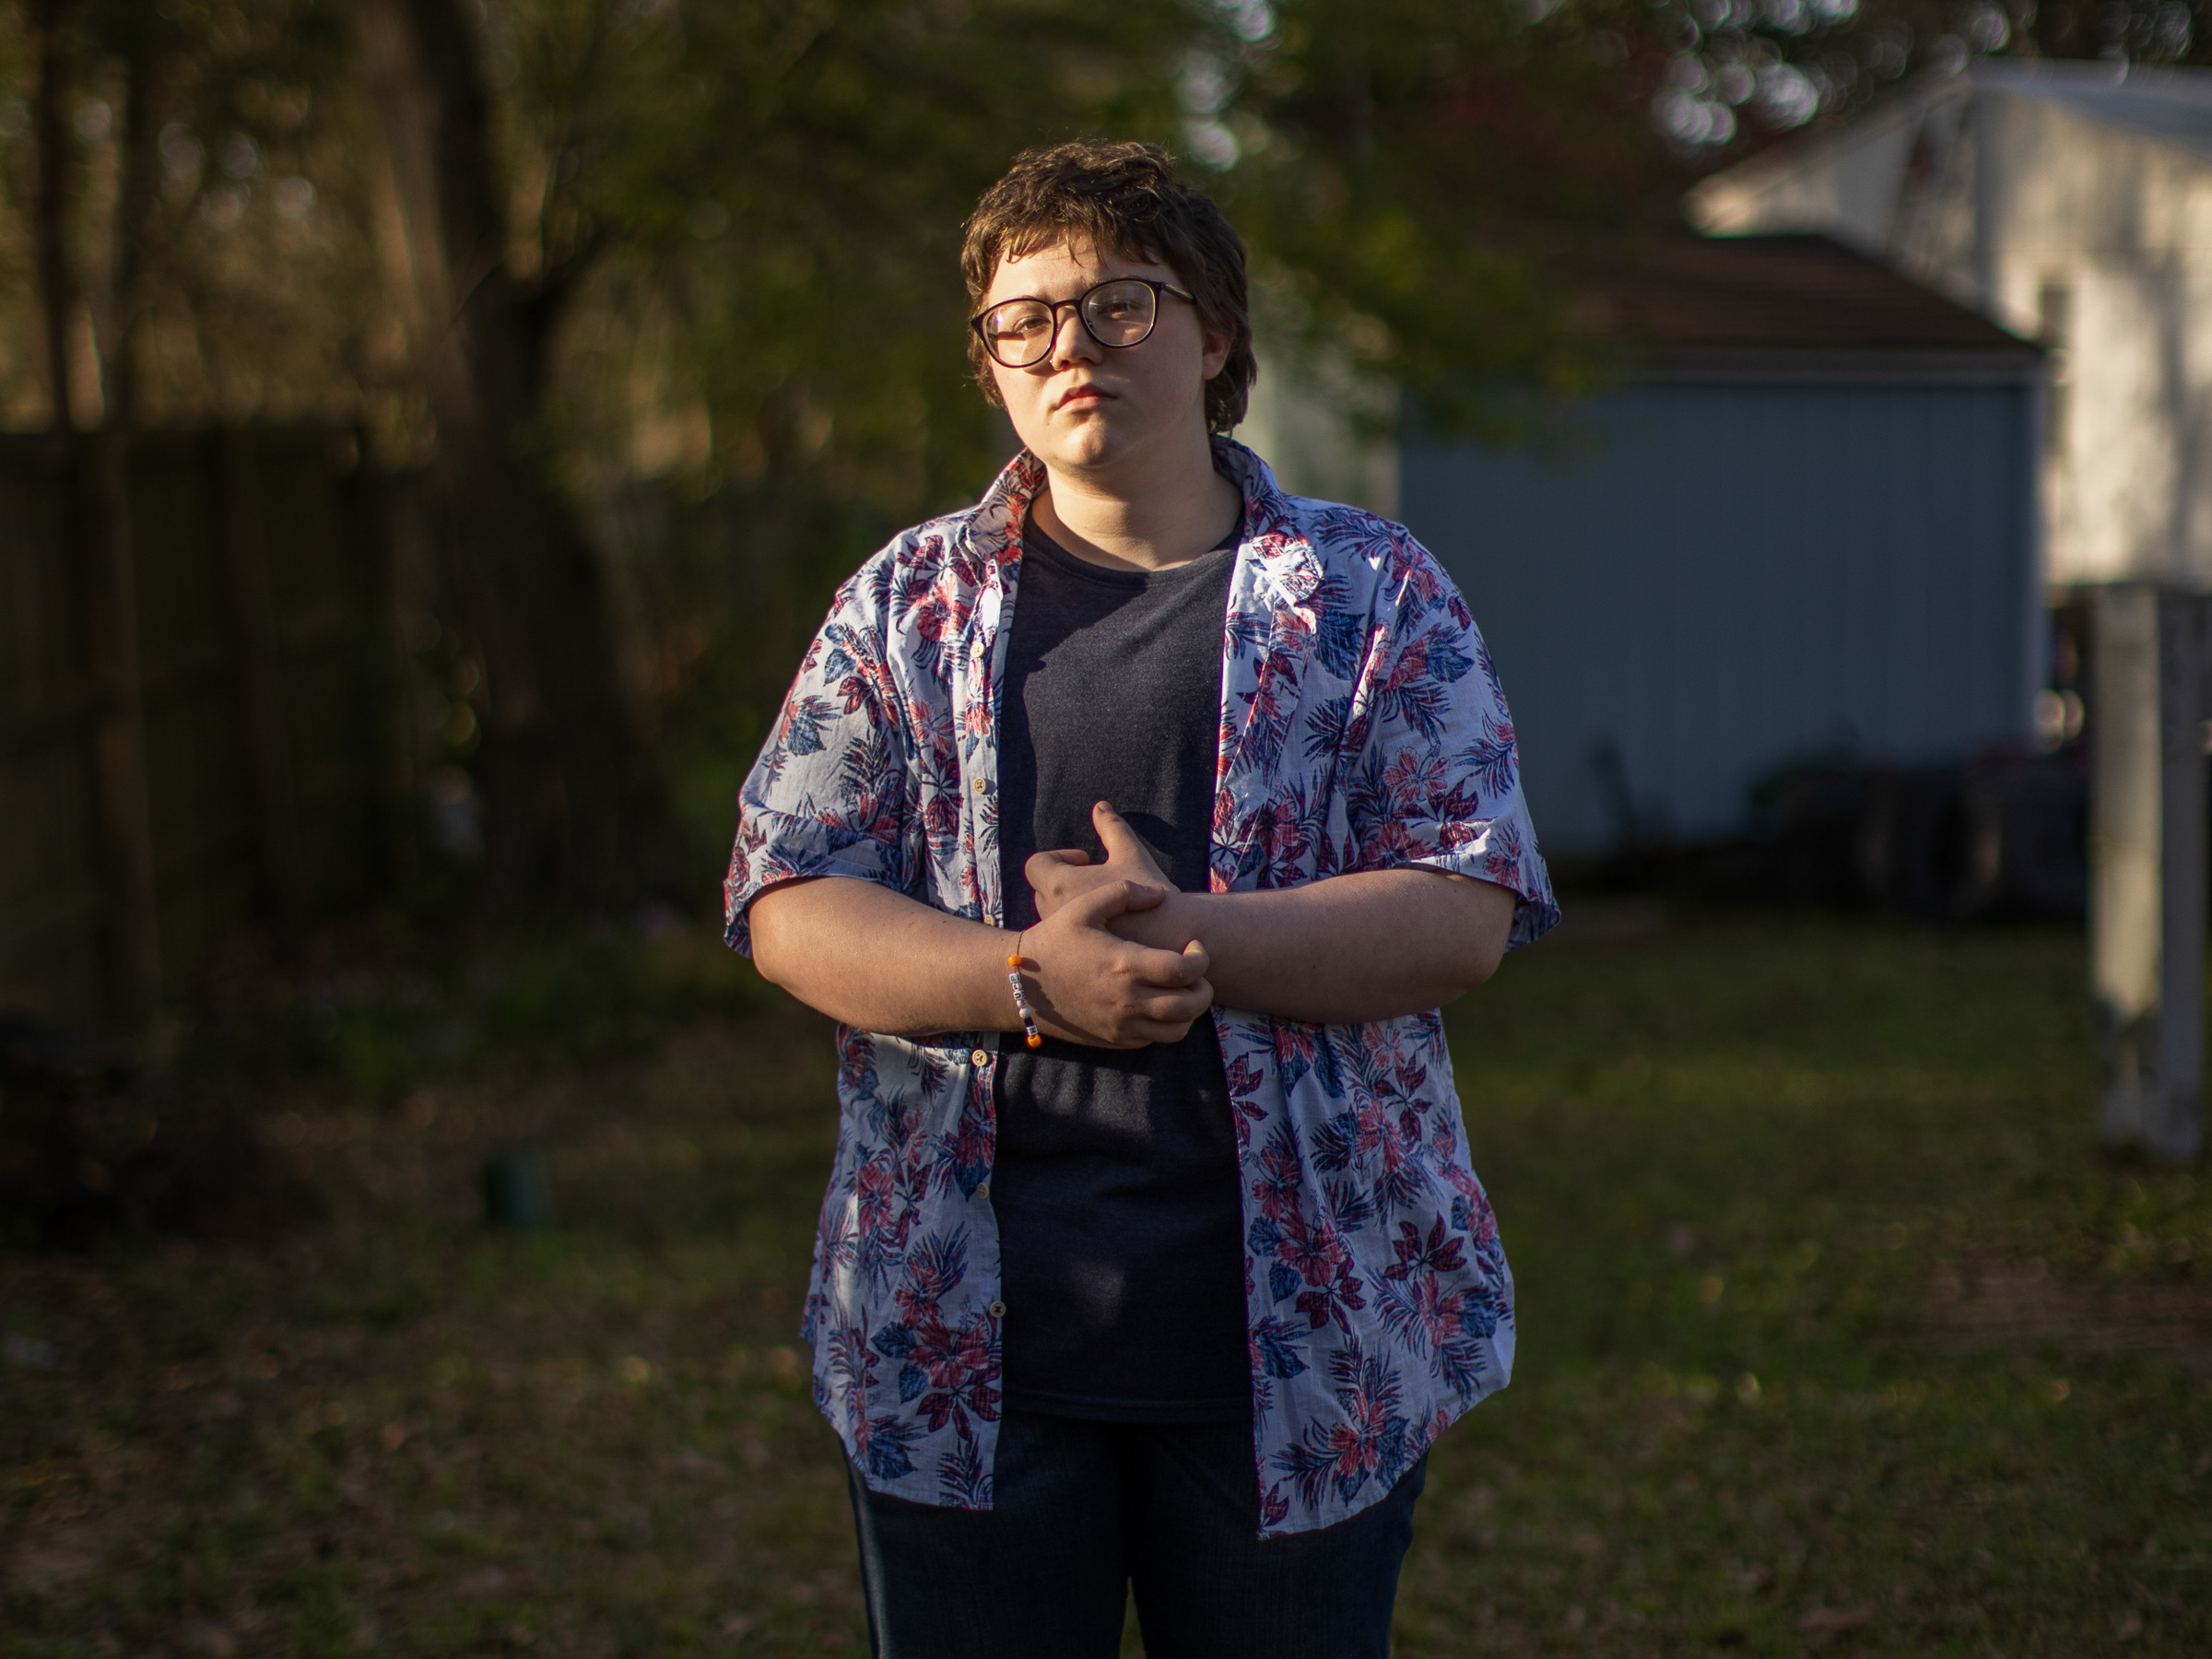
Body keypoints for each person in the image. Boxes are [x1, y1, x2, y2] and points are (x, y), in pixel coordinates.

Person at [724, 139, 1557, 1659]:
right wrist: (1027, 983)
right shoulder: (901, 604)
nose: (1070, 348)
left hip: (1304, 1357)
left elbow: (1465, 903)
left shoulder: (1372, 595)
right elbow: (788, 899)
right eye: (1023, 320)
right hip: (957, 1348)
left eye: (1121, 304)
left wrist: (1185, 943)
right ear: (986, 364)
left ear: (1218, 333)